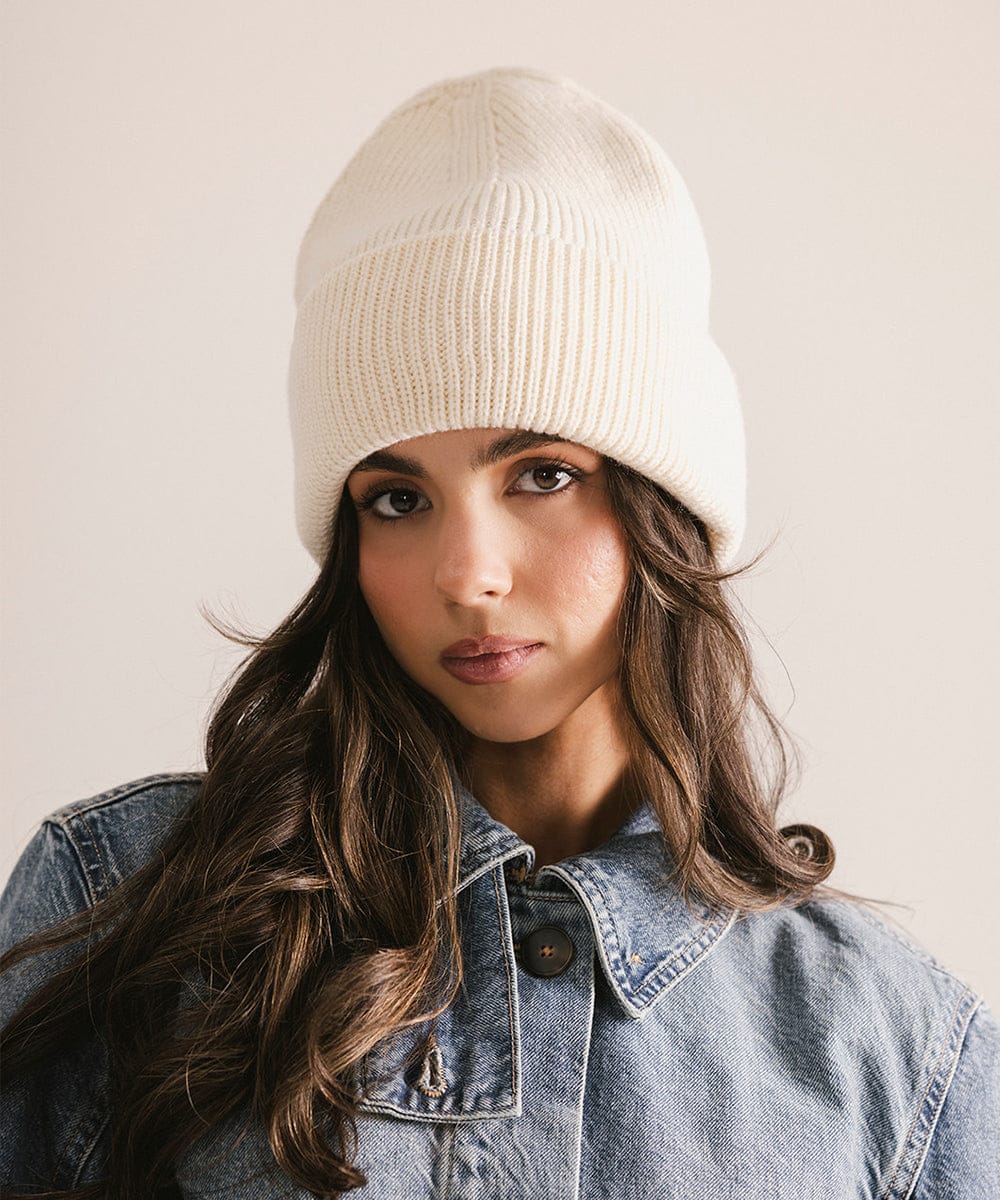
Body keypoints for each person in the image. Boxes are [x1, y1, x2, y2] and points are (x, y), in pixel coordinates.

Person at [1, 64, 997, 1199]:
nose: (469, 576)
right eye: (396, 498)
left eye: (542, 474)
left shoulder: (898, 1055)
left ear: (661, 502)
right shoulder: (130, 909)